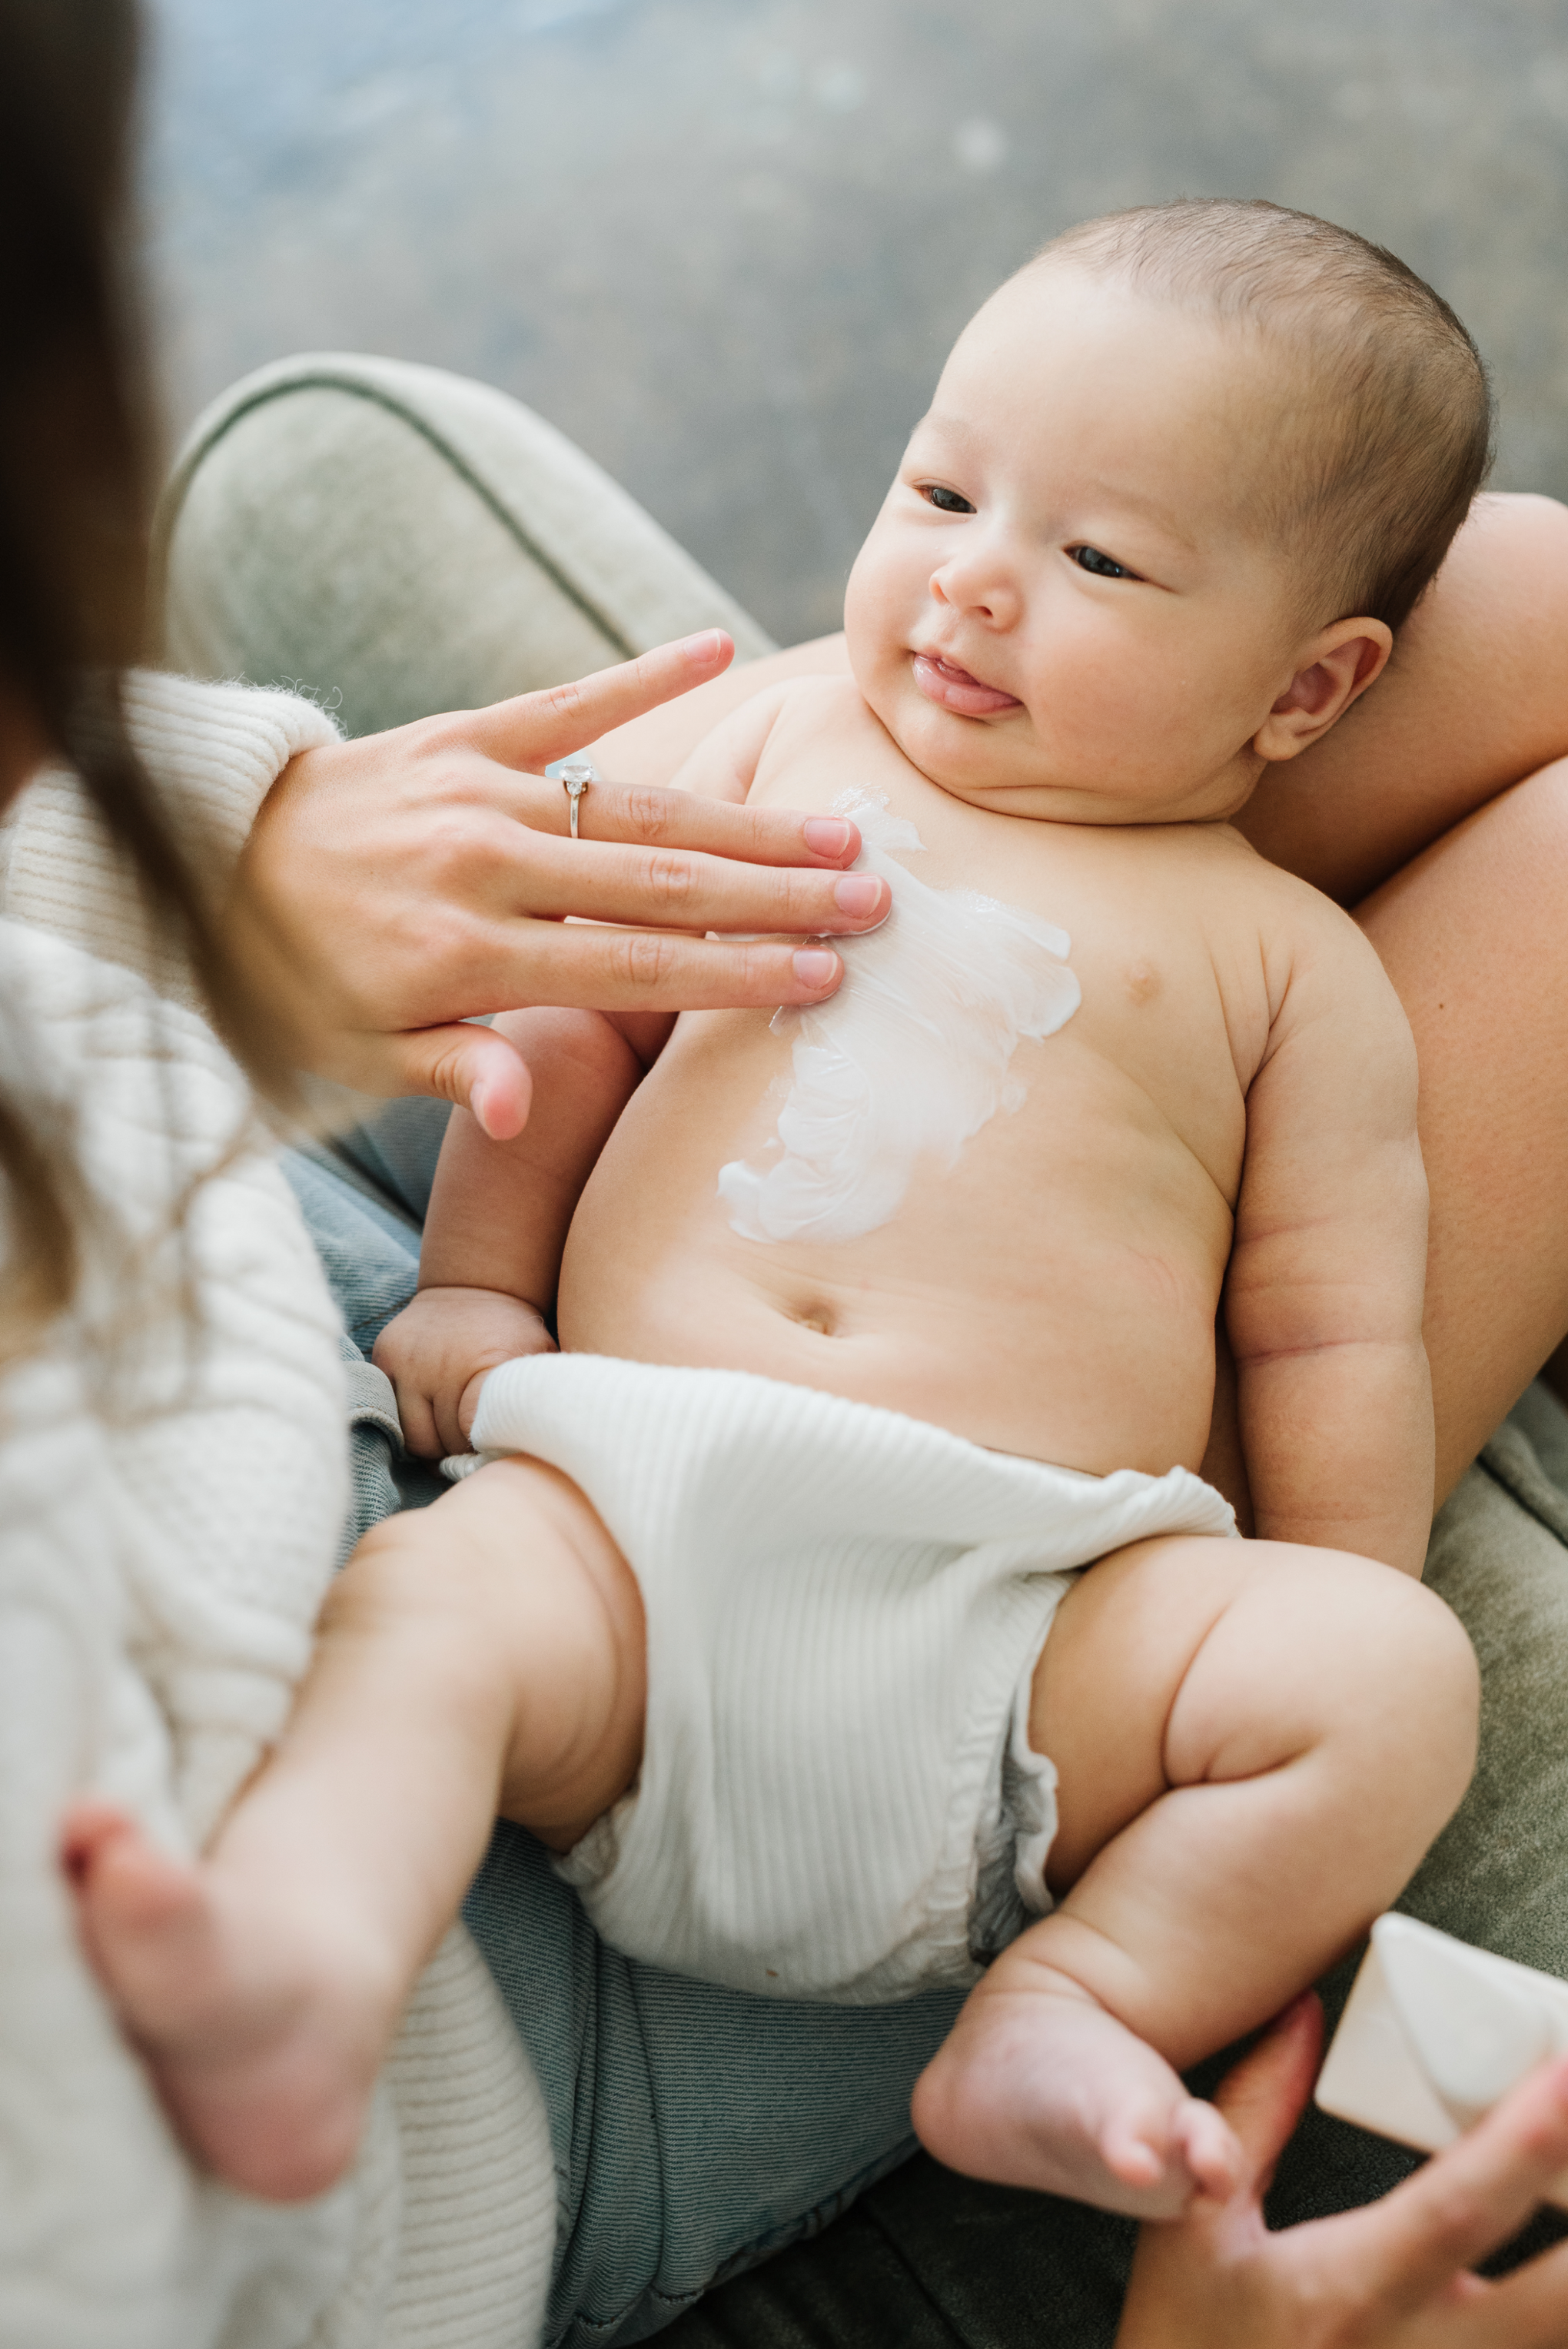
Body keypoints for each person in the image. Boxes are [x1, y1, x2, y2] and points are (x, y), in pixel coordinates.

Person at [8, 2, 1568, 2342]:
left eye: (1097, 563)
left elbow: (1332, 1311)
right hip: (607, 1525)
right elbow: (573, 1031)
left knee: (1386, 1676)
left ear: (1310, 694)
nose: (967, 590)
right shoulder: (778, 738)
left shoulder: (1278, 971)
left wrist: (1311, 1600)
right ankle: (307, 1969)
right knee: (426, 1634)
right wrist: (474, 1291)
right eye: (938, 499)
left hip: (1016, 1620)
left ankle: (1082, 1999)